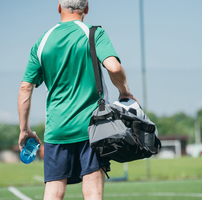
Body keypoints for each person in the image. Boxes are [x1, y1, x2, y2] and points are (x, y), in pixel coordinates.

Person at [18, 0, 137, 199]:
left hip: (57, 129)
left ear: (59, 7)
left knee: (54, 192)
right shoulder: (94, 33)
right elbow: (114, 67)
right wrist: (124, 92)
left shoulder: (42, 42)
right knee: (92, 191)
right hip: (93, 128)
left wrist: (24, 130)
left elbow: (25, 87)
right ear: (87, 8)